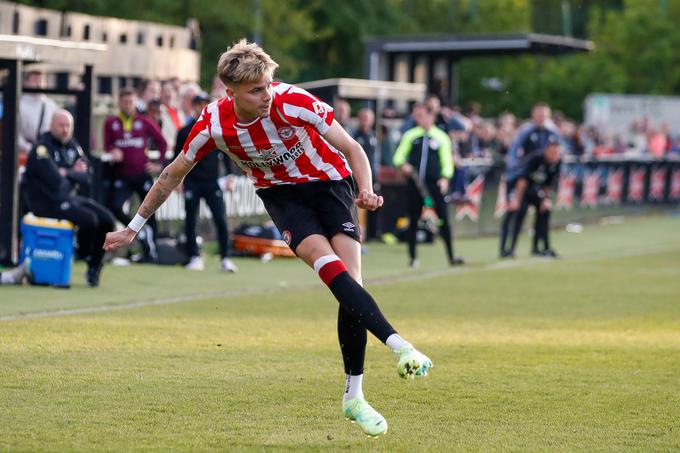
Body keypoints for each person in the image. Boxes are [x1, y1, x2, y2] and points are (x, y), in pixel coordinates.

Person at [104, 39, 432, 437]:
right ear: (231, 92)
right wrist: (132, 228)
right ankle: (400, 346)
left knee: (352, 286)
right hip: (282, 196)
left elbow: (352, 147)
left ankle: (354, 397)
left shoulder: (293, 100)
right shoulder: (213, 124)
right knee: (330, 271)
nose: (266, 95)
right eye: (256, 90)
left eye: (268, 85)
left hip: (331, 185)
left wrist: (365, 188)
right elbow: (171, 174)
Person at [23, 110, 115, 286]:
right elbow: (55, 181)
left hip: (69, 198)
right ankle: (83, 253)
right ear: (51, 125)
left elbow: (88, 175)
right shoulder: (41, 148)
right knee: (89, 220)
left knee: (107, 220)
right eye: (61, 125)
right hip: (46, 202)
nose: (65, 130)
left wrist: (65, 171)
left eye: (68, 126)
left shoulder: (73, 146)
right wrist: (73, 172)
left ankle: (94, 265)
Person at [393, 102, 464, 267]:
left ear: (431, 116)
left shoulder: (441, 137)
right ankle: (412, 257)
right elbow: (398, 156)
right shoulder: (410, 135)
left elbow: (447, 161)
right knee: (413, 220)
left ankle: (451, 255)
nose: (420, 119)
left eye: (423, 116)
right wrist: (403, 165)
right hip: (415, 184)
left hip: (434, 185)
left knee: (444, 219)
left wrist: (445, 178)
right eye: (418, 117)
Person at [174, 92, 237, 273]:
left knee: (220, 219)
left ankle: (225, 258)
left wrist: (230, 177)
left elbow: (227, 155)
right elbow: (177, 157)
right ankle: (194, 256)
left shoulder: (216, 129)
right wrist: (178, 180)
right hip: (192, 182)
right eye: (198, 104)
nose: (201, 107)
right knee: (190, 220)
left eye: (204, 104)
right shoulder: (184, 131)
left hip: (211, 182)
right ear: (193, 106)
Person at [103, 87, 167, 263]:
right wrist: (112, 151)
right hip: (122, 175)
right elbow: (107, 145)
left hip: (142, 175)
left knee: (150, 211)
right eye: (124, 102)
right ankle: (137, 229)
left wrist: (158, 164)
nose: (128, 105)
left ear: (135, 102)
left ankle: (151, 253)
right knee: (115, 206)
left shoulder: (144, 121)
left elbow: (162, 142)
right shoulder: (111, 123)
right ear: (119, 103)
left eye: (130, 102)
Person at [499, 142, 562, 258]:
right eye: (553, 152)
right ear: (547, 150)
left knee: (545, 211)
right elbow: (522, 181)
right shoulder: (535, 159)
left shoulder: (556, 163)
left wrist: (545, 200)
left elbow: (548, 184)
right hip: (517, 187)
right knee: (517, 214)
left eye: (557, 153)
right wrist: (516, 200)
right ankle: (508, 250)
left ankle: (540, 248)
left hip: (533, 189)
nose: (555, 156)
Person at [352, 108, 382, 240]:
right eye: (363, 118)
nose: (365, 121)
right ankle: (355, 234)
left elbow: (375, 158)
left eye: (368, 118)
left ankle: (370, 235)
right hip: (355, 177)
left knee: (371, 205)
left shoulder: (373, 136)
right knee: (355, 206)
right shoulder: (353, 135)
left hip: (371, 177)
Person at [18, 70, 58, 156]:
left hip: (46, 150)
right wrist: (28, 147)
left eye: (41, 80)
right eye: (35, 80)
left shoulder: (51, 105)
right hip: (24, 153)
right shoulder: (19, 104)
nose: (38, 83)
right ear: (26, 83)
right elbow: (15, 133)